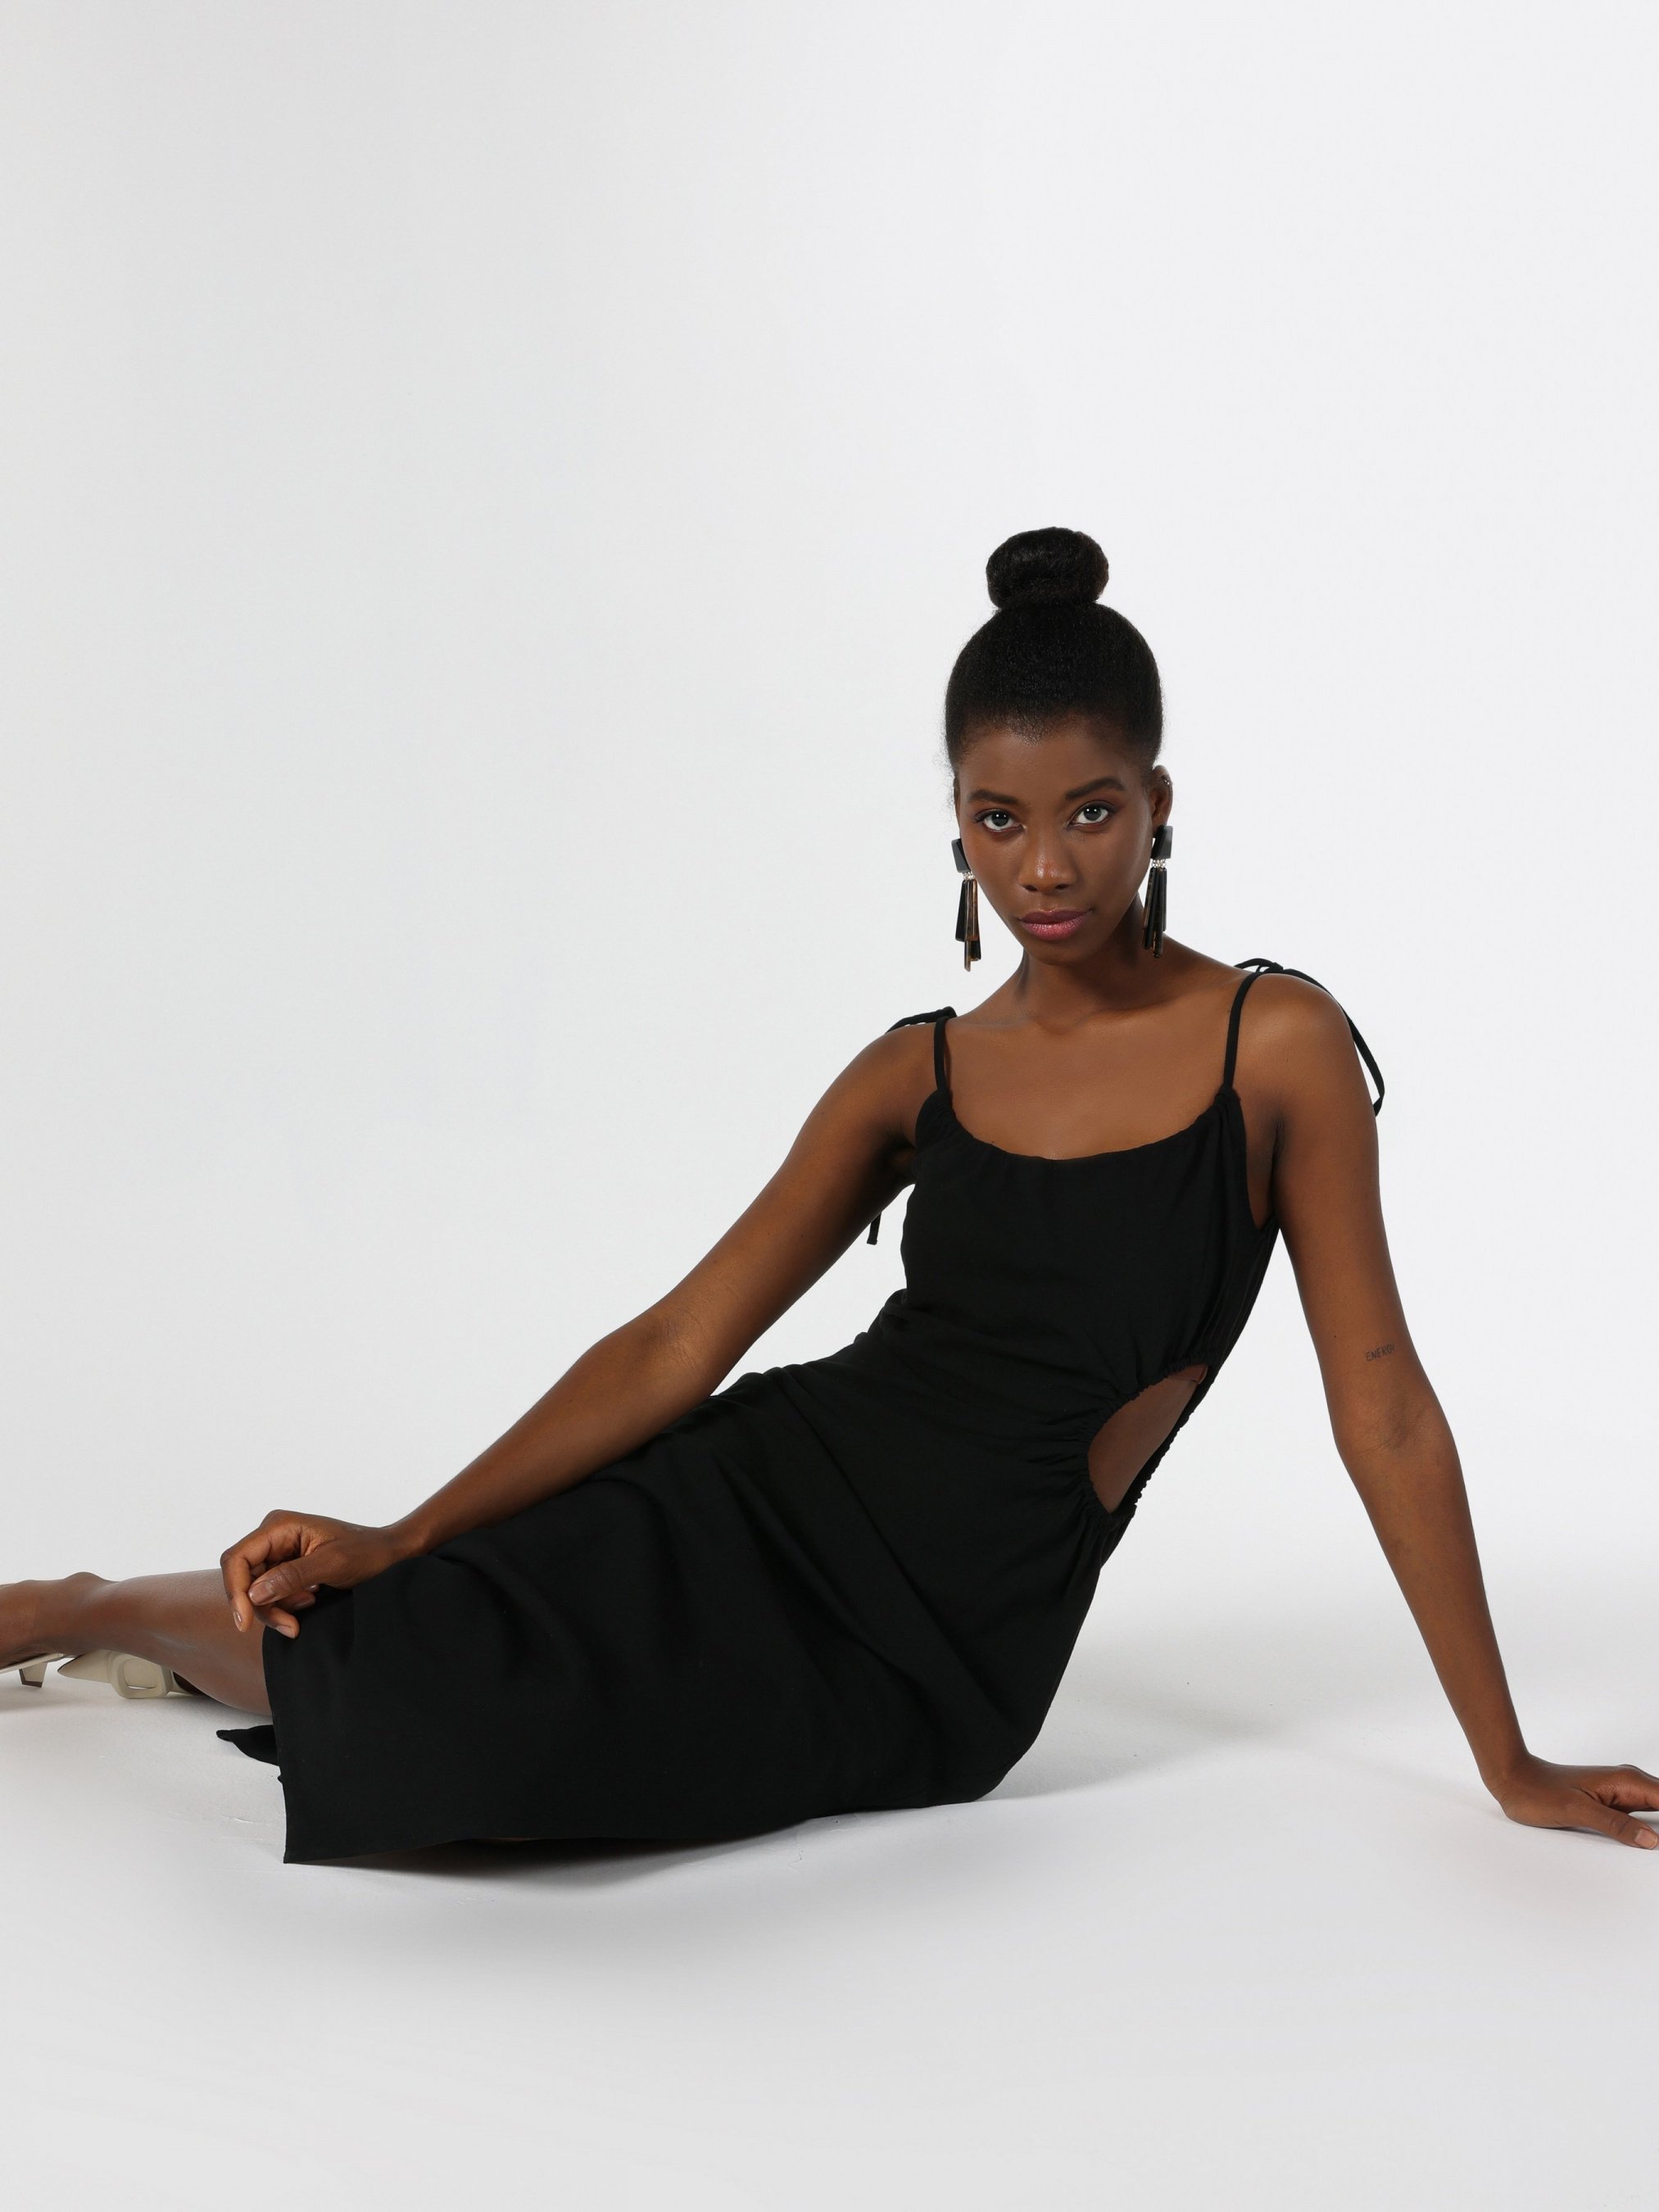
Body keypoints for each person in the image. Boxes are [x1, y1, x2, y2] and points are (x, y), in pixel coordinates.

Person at [6, 526, 1656, 1864]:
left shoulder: (1271, 1046)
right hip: (767, 1494)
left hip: (951, 1647)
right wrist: (411, 1528)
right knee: (412, 1640)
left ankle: (130, 1621)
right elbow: (677, 1344)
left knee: (475, 1761)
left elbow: (1380, 1405)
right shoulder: (913, 1070)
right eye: (998, 820)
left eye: (1090, 812)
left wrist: (1502, 1758)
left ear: (1158, 808)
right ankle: (80, 1607)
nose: (1046, 867)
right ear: (956, 831)